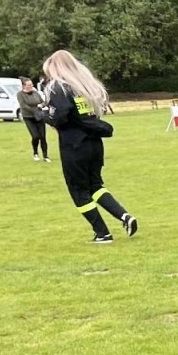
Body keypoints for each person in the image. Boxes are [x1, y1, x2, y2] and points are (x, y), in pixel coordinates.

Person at [39, 50, 139, 243]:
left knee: (78, 191)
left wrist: (42, 114)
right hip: (93, 142)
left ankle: (102, 233)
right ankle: (124, 216)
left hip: (74, 145)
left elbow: (60, 117)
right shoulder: (82, 87)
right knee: (96, 185)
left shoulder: (59, 87)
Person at [17, 77, 49, 161]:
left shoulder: (35, 93)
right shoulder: (20, 94)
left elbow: (43, 102)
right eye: (29, 85)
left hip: (39, 116)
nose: (31, 86)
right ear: (24, 86)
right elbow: (24, 106)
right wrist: (35, 109)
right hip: (28, 117)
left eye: (31, 84)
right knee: (35, 136)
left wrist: (41, 105)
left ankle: (45, 156)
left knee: (43, 136)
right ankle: (35, 153)